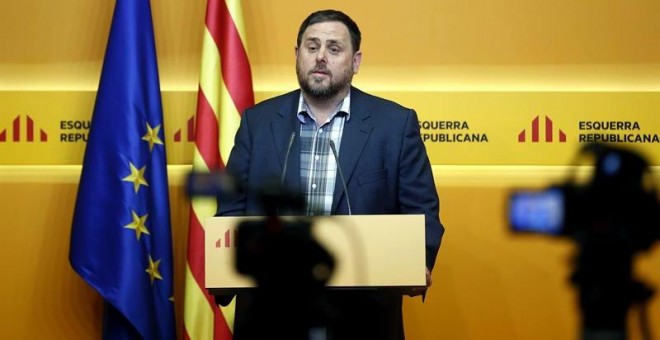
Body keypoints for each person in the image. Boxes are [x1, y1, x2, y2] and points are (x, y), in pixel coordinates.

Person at [217, 9, 444, 340]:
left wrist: (416, 261)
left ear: (355, 61)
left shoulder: (394, 125)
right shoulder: (258, 123)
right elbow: (231, 209)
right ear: (297, 56)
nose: (321, 57)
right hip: (271, 317)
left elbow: (421, 208)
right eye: (312, 47)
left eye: (334, 49)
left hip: (362, 319)